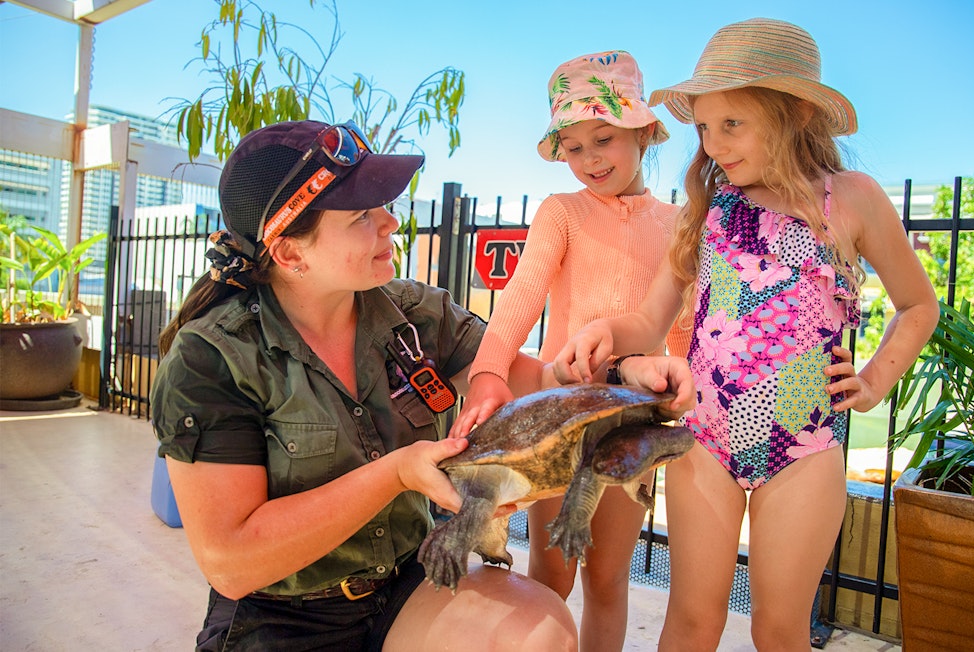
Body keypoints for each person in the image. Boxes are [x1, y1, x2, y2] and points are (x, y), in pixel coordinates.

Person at [150, 119, 694, 652]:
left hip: (409, 584)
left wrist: (622, 376)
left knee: (541, 633)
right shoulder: (212, 357)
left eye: (383, 207)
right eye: (362, 215)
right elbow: (232, 563)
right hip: (283, 616)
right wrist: (396, 475)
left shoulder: (413, 313)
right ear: (291, 253)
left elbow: (536, 381)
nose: (390, 223)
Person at [553, 19, 940, 652]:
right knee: (692, 624)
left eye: (732, 124)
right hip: (708, 440)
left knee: (778, 631)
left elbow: (918, 305)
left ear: (793, 116)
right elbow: (649, 321)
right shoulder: (708, 209)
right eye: (704, 127)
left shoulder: (852, 200)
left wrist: (872, 382)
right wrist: (604, 329)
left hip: (807, 447)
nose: (713, 144)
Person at [448, 50, 690, 652]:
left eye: (603, 138)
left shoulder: (681, 224)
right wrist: (486, 375)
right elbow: (518, 300)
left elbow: (680, 330)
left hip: (630, 422)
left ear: (645, 130)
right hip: (557, 422)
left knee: (609, 576)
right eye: (573, 146)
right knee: (552, 572)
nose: (588, 160)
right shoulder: (563, 213)